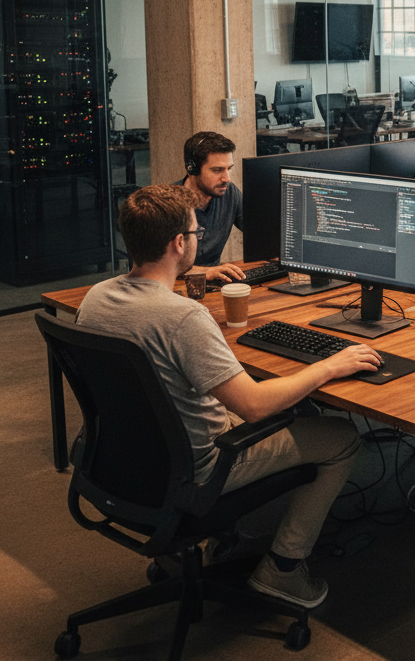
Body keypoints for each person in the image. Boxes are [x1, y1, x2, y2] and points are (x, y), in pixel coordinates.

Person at [76, 184, 382, 607]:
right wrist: (330, 365)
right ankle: (283, 570)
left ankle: (215, 542)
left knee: (295, 404)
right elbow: (253, 406)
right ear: (178, 243)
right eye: (196, 232)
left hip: (126, 459)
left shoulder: (96, 297)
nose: (200, 238)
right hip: (199, 465)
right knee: (340, 435)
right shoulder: (183, 316)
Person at [178, 131, 245, 283]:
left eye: (229, 168)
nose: (227, 178)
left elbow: (258, 233)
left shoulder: (230, 192)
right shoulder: (169, 205)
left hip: (212, 285)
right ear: (191, 169)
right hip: (177, 288)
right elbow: (159, 268)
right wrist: (207, 272)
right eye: (217, 170)